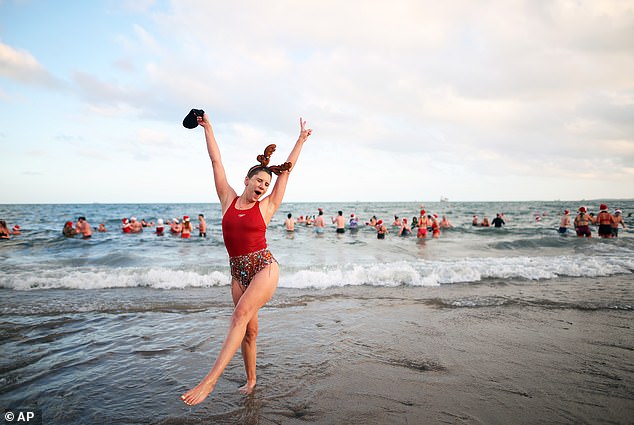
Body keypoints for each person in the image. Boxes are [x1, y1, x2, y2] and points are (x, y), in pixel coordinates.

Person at [181, 114, 312, 406]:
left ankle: (209, 381)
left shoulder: (267, 207)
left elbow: (287, 172)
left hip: (264, 267)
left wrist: (300, 139)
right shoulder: (227, 199)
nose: (264, 186)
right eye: (260, 181)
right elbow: (216, 162)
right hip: (238, 275)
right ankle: (251, 381)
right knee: (249, 331)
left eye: (267, 183)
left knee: (238, 317)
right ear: (247, 180)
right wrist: (209, 128)